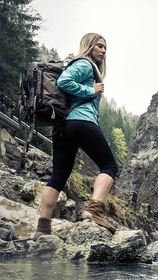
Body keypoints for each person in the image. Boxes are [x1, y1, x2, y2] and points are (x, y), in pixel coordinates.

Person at [34, 33, 118, 239]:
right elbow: (64, 81)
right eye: (99, 46)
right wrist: (91, 90)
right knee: (109, 167)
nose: (103, 50)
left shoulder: (83, 65)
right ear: (89, 46)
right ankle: (94, 210)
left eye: (105, 47)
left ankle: (42, 229)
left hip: (64, 127)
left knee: (58, 178)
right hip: (81, 121)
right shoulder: (84, 64)